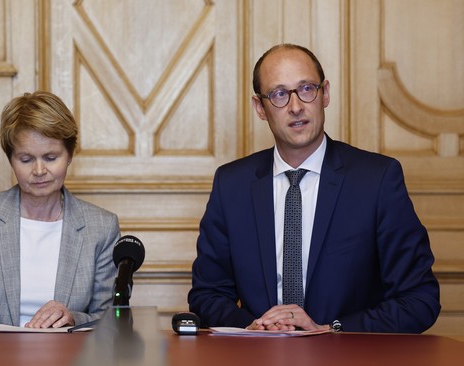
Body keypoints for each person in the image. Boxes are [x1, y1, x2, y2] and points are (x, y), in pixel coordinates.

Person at [188, 43, 441, 333]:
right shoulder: (231, 184)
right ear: (260, 107)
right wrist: (256, 327)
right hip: (257, 364)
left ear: (325, 94)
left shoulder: (377, 179)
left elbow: (420, 299)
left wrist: (329, 329)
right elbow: (206, 295)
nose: (296, 107)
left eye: (307, 88)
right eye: (279, 94)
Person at [0, 91, 120, 329]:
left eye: (51, 157)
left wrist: (72, 317)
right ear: (10, 159)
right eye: (25, 159)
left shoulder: (101, 227)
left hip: (70, 361)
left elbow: (109, 318)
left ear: (69, 155)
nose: (39, 170)